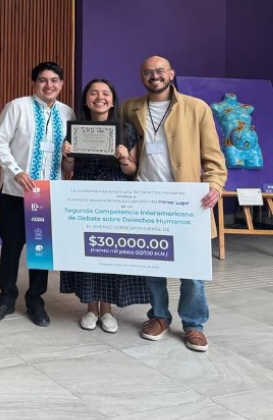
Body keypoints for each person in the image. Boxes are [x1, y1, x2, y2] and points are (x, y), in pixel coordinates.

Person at [121, 55, 227, 352]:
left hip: (187, 201)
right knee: (152, 263)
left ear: (171, 74)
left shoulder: (196, 108)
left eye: (159, 71)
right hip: (146, 197)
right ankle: (158, 316)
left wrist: (216, 185)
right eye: (147, 72)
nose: (154, 76)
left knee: (192, 268)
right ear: (141, 77)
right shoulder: (130, 107)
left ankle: (194, 324)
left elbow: (214, 157)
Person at [0, 62, 75, 327]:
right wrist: (16, 171)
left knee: (41, 249)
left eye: (54, 80)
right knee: (12, 247)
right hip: (16, 192)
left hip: (48, 194)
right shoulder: (17, 107)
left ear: (61, 84)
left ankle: (36, 299)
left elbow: (69, 152)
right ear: (34, 83)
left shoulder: (67, 113)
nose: (49, 85)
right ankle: (5, 298)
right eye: (43, 80)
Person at [60, 79, 149, 333]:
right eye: (94, 93)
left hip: (115, 198)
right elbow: (68, 168)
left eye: (105, 93)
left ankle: (107, 310)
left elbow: (132, 169)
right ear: (86, 99)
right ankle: (90, 308)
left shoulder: (126, 130)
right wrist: (67, 156)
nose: (100, 97)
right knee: (86, 251)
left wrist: (123, 158)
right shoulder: (75, 130)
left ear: (112, 99)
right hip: (83, 195)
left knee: (110, 252)